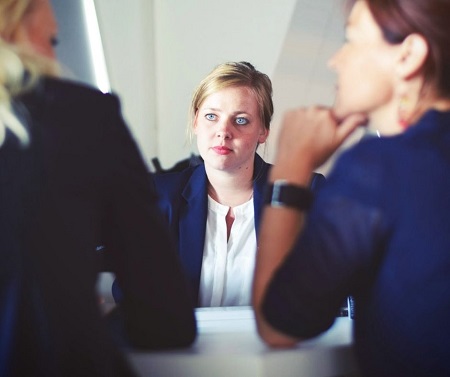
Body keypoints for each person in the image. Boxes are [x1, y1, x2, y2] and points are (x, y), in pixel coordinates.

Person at [252, 0, 450, 376]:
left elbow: (278, 324)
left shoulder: (378, 169)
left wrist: (291, 168)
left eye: (351, 40)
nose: (335, 60)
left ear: (408, 55)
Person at [0, 0, 196, 376]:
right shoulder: (84, 118)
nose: (53, 57)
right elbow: (165, 319)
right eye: (53, 40)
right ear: (14, 26)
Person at [150, 61, 325, 307]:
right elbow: (131, 297)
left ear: (263, 131)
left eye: (241, 120)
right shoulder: (158, 197)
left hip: (273, 344)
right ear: (196, 121)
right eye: (212, 116)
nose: (223, 131)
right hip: (181, 345)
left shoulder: (306, 193)